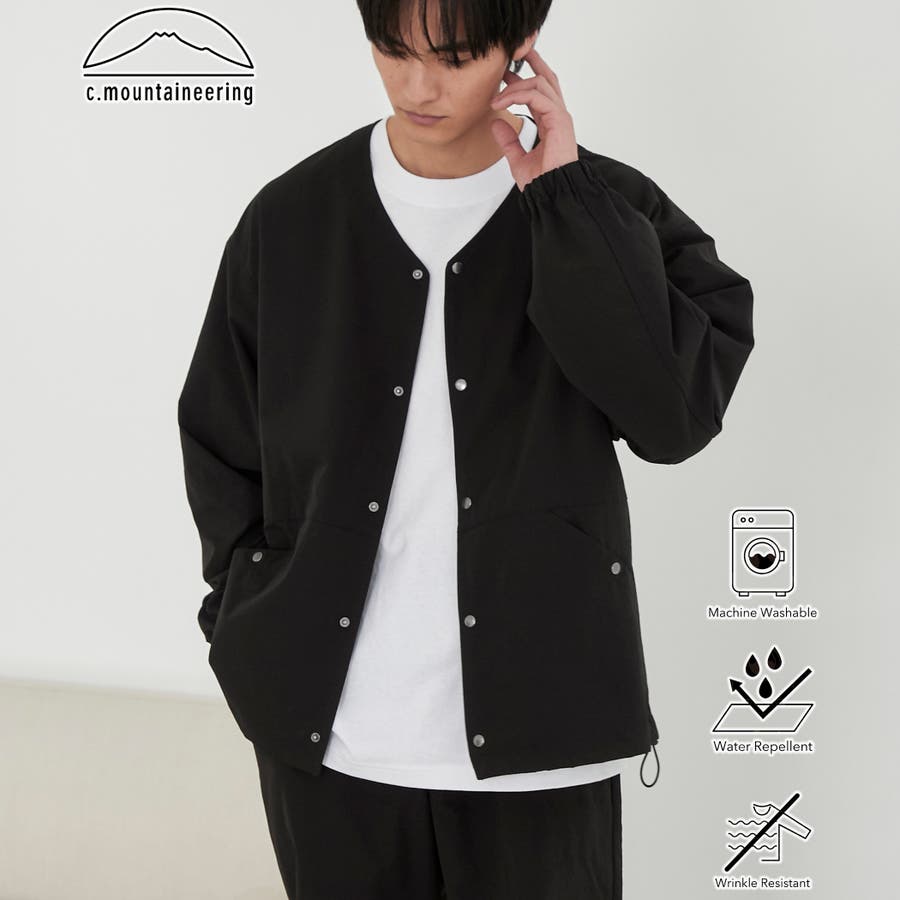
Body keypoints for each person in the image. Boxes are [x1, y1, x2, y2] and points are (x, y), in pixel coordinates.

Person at [176, 1, 755, 897]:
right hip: (333, 746)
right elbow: (219, 442)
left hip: (541, 744)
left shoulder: (607, 208)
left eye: (451, 56)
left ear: (521, 47)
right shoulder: (289, 220)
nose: (416, 84)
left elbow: (673, 420)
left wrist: (564, 203)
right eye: (391, 48)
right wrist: (250, 621)